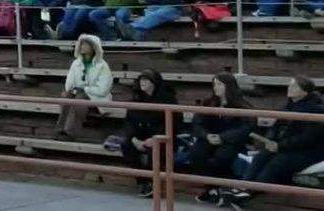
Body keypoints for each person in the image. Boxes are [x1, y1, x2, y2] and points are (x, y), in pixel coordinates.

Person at [221, 75, 324, 207]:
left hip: (308, 151)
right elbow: (275, 128)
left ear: (304, 91)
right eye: (289, 85)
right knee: (261, 157)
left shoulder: (317, 109)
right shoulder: (287, 107)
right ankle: (244, 188)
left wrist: (279, 146)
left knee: (277, 162)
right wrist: (269, 141)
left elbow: (308, 138)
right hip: (283, 146)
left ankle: (249, 192)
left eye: (293, 86)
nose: (289, 88)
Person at [188, 72, 254, 205]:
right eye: (214, 84)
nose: (215, 88)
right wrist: (206, 135)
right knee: (197, 153)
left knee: (221, 156)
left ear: (228, 86)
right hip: (209, 138)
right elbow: (198, 123)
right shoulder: (209, 103)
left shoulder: (242, 105)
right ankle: (211, 188)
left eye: (219, 84)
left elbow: (245, 128)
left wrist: (222, 137)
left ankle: (219, 188)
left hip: (230, 141)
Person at [116, 69, 177, 198]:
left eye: (146, 80)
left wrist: (155, 138)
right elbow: (129, 121)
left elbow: (173, 123)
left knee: (153, 150)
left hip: (161, 136)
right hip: (139, 135)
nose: (142, 83)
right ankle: (143, 181)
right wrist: (133, 138)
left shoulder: (167, 99)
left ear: (154, 82)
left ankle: (152, 182)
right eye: (141, 80)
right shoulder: (136, 98)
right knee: (126, 145)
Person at [56, 34, 113, 140]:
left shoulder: (103, 66)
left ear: (93, 47)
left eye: (86, 45)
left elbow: (103, 89)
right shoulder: (75, 64)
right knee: (65, 96)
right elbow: (69, 83)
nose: (82, 47)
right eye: (81, 44)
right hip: (77, 94)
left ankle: (70, 133)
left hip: (96, 98)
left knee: (79, 99)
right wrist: (74, 90)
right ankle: (60, 130)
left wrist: (86, 90)